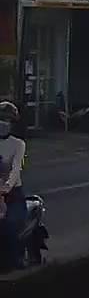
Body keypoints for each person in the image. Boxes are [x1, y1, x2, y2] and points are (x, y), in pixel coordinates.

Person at [0, 100, 28, 269]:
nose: (3, 123)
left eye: (7, 120)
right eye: (1, 119)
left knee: (10, 225)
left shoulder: (18, 144)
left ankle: (17, 258)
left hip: (13, 194)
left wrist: (6, 188)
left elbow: (16, 169)